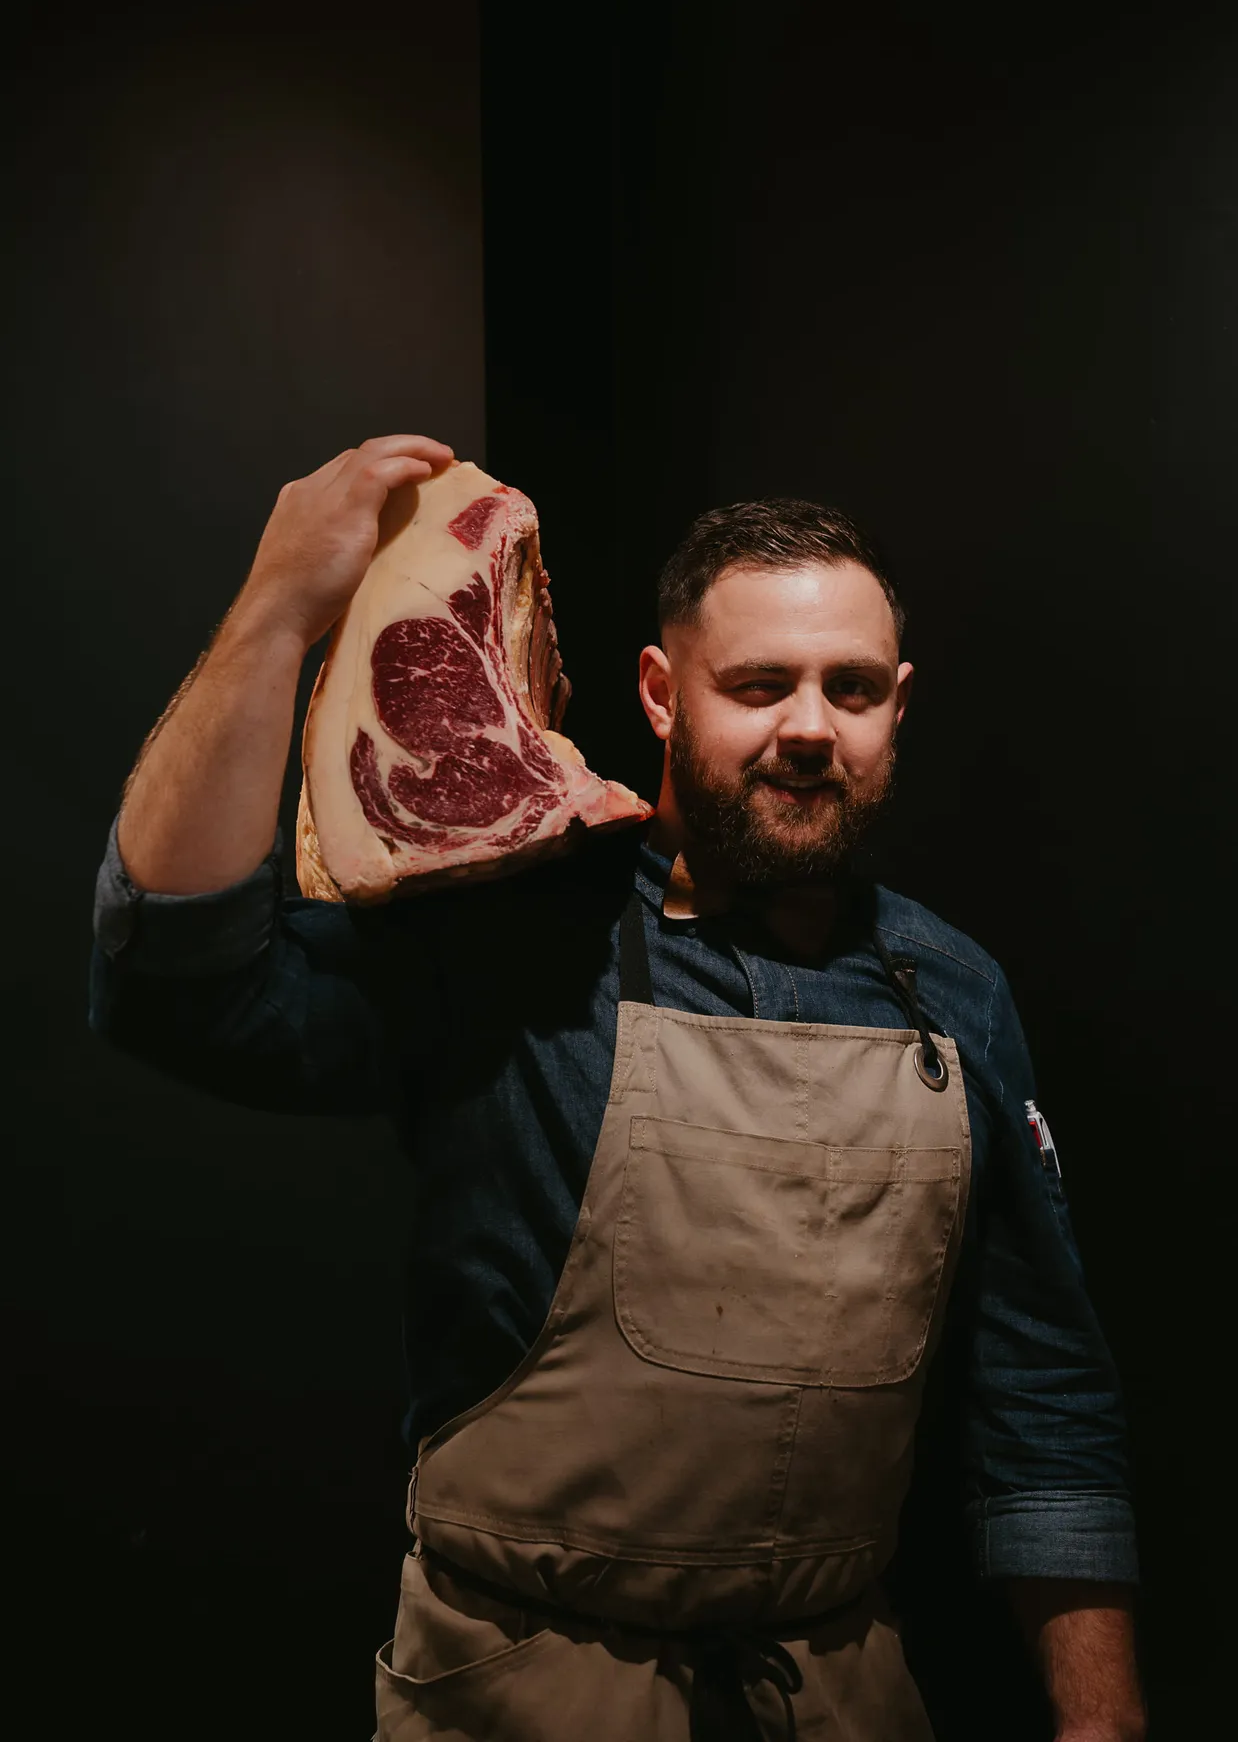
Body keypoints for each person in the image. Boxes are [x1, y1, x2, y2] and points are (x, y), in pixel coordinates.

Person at [89, 435, 1145, 1741]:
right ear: (660, 693)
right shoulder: (513, 942)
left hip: (840, 1700)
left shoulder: (959, 993)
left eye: (851, 689)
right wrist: (277, 608)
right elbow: (179, 987)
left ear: (899, 706)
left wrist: (1102, 1722)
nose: (809, 729)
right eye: (759, 685)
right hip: (525, 1694)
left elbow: (1043, 1400)